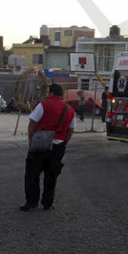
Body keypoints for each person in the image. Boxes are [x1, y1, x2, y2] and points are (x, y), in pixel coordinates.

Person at [20, 83, 76, 211]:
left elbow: (32, 123)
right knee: (51, 176)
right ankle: (48, 203)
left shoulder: (44, 104)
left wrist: (31, 140)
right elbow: (70, 130)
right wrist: (63, 143)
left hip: (40, 145)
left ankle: (32, 202)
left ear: (51, 93)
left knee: (32, 174)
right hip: (58, 146)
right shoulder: (70, 110)